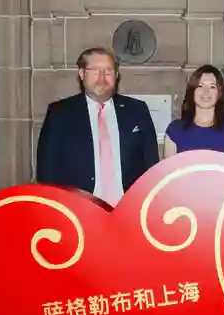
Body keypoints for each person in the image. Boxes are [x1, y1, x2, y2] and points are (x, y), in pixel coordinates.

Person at [35, 47, 160, 206]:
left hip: (127, 208)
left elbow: (151, 165)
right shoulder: (60, 113)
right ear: (81, 74)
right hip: (78, 208)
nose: (102, 78)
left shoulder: (137, 110)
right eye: (95, 70)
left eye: (108, 71)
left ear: (116, 75)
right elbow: (47, 171)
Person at [163, 65, 224, 159]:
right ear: (192, 91)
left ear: (220, 93)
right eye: (200, 86)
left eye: (212, 87)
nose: (206, 92)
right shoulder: (174, 131)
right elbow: (169, 167)